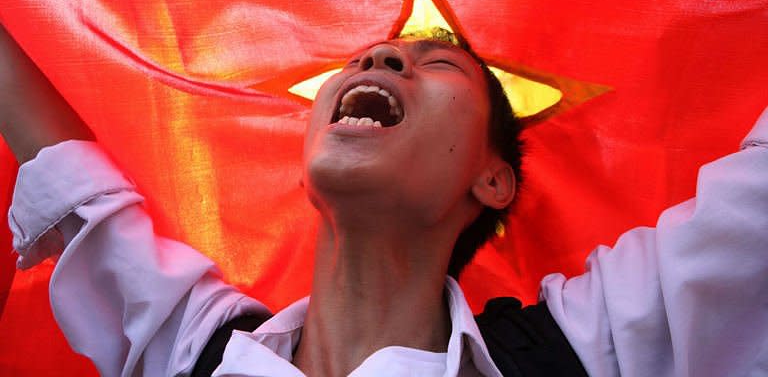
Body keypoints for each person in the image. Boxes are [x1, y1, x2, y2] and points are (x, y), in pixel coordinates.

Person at [1, 20, 767, 377]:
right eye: (372, 56)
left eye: (441, 66)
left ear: (492, 179)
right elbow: (75, 188)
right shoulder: (199, 352)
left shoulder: (590, 352)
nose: (380, 54)